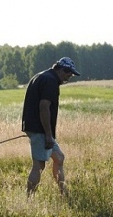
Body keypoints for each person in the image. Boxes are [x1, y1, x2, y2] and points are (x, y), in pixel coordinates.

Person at [21, 57, 81, 198]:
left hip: (37, 127)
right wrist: (48, 134)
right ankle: (28, 198)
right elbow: (44, 107)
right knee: (39, 165)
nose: (69, 77)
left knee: (59, 158)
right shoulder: (51, 81)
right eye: (69, 74)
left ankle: (63, 192)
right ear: (61, 70)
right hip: (40, 129)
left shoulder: (43, 76)